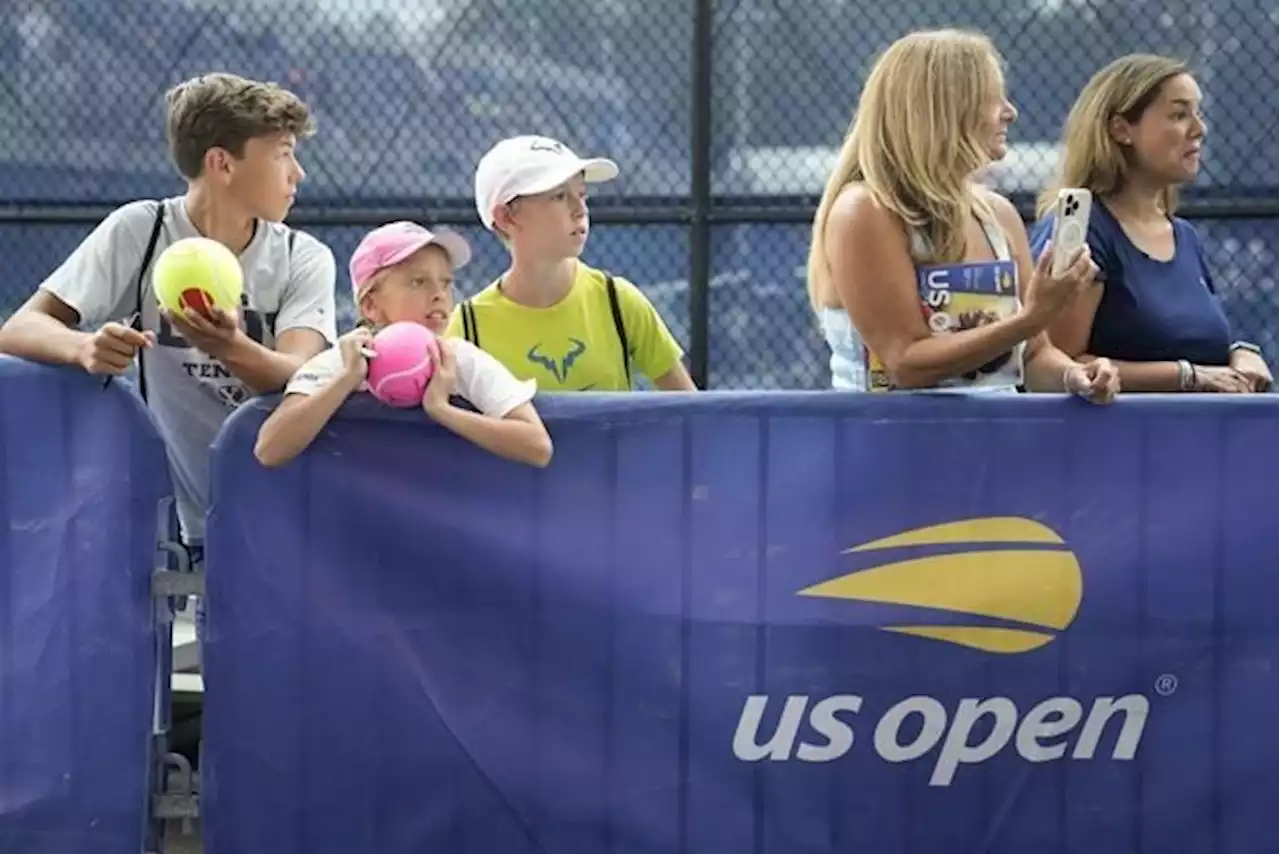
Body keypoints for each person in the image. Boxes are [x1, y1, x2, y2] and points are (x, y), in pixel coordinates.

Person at [0, 72, 335, 551]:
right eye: (282, 153)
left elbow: (302, 377)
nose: (297, 173)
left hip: (275, 513)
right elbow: (19, 328)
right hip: (159, 518)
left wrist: (230, 347)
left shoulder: (304, 256)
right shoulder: (142, 230)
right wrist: (86, 347)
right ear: (222, 163)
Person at [805, 29, 1119, 403]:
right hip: (891, 446)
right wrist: (1030, 319)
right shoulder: (865, 210)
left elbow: (1034, 355)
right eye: (991, 99)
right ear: (943, 110)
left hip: (993, 446)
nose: (1010, 112)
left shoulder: (998, 216)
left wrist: (1076, 376)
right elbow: (904, 362)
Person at [1031, 54, 1272, 393]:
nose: (1199, 129)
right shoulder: (1084, 230)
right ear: (1121, 129)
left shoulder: (1185, 236)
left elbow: (1191, 343)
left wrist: (1240, 356)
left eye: (1197, 113)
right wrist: (1185, 376)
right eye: (1178, 114)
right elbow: (1051, 365)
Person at [255, 221, 553, 468]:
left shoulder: (459, 359)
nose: (439, 294)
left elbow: (537, 446)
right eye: (418, 282)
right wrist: (346, 381)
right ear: (370, 305)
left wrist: (442, 411)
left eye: (446, 282)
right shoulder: (342, 362)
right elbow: (269, 449)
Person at [447, 134, 696, 393]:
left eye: (582, 194)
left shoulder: (619, 301)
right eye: (559, 196)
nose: (580, 209)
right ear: (507, 217)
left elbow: (692, 414)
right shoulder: (467, 327)